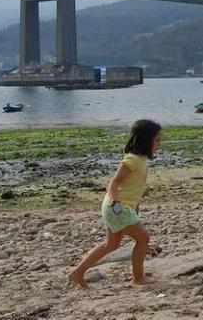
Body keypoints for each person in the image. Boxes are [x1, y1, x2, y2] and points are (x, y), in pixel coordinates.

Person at [69, 119, 162, 288]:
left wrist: (135, 211)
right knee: (143, 239)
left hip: (124, 208)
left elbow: (134, 191)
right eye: (157, 139)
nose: (159, 143)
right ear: (145, 139)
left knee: (111, 245)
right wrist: (114, 200)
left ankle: (77, 273)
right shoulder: (131, 160)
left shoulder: (141, 160)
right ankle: (138, 277)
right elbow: (113, 182)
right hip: (117, 208)